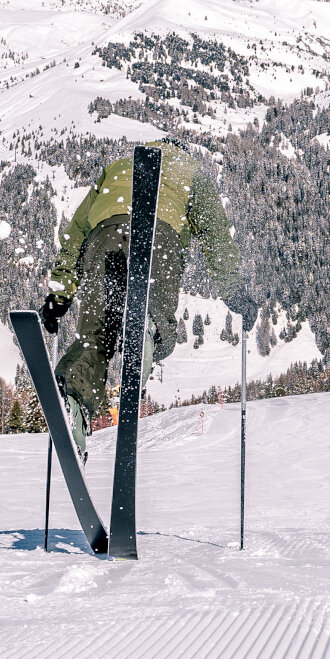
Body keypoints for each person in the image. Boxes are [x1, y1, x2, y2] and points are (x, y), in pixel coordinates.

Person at [43, 139, 256, 457]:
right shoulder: (190, 170)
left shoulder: (118, 166)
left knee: (97, 338)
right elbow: (214, 232)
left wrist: (61, 293)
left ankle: (71, 391)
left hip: (104, 235)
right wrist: (231, 289)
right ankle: (145, 328)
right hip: (158, 239)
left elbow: (76, 230)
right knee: (158, 330)